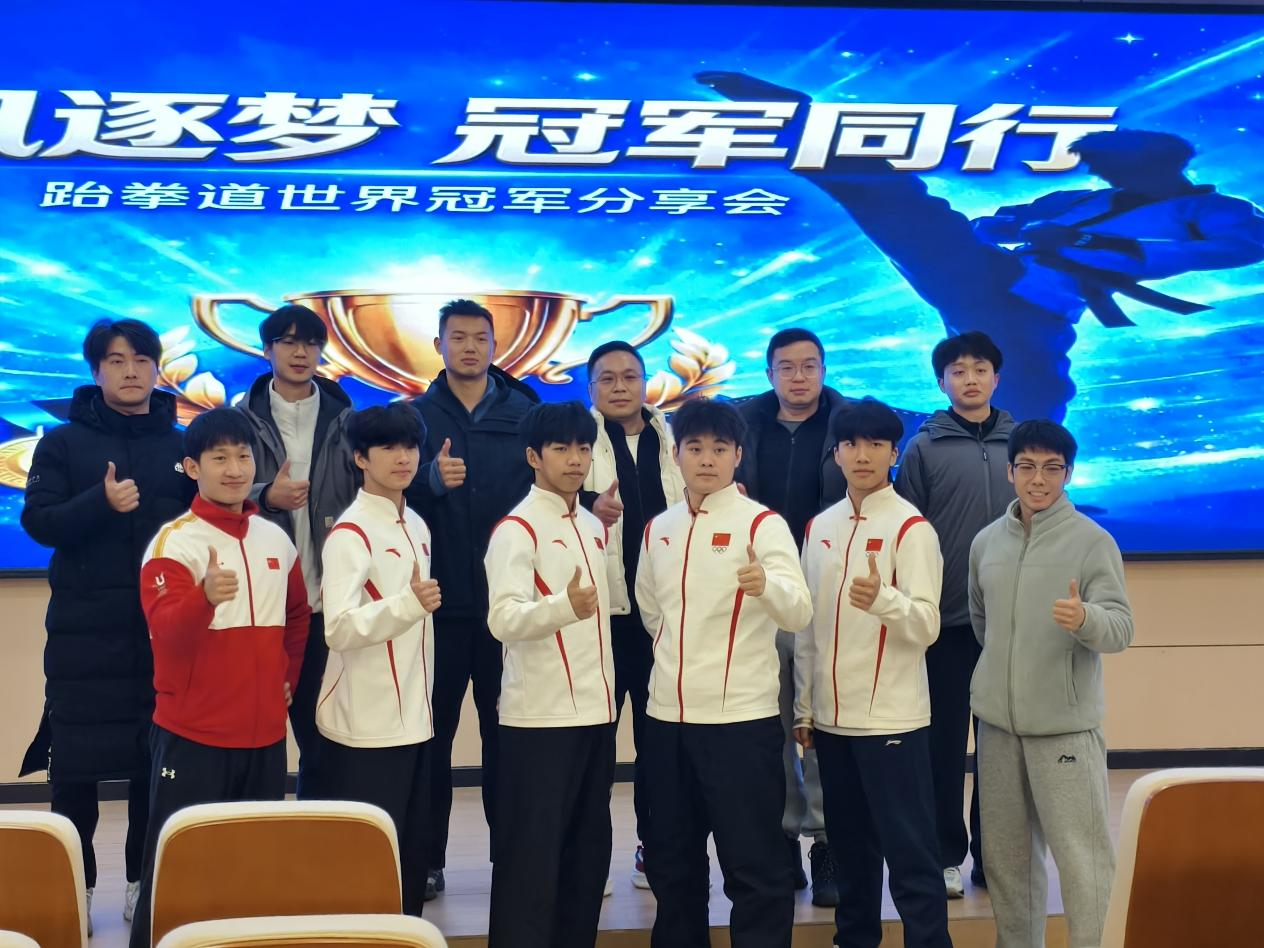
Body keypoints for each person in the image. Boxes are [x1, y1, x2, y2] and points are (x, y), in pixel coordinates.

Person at [696, 70, 1264, 423]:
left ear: (1157, 163)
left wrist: (1085, 240)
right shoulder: (1085, 199)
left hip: (1039, 305)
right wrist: (1007, 228)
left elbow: (1234, 246)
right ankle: (796, 118)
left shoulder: (1213, 212)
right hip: (991, 274)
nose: (1104, 174)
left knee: (1030, 398)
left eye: (1114, 165)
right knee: (897, 205)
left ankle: (1026, 484)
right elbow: (1009, 220)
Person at [19, 318, 195, 932]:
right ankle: (76, 885)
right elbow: (38, 522)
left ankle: (143, 882)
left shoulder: (181, 445)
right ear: (96, 371)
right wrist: (101, 502)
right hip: (83, 633)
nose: (130, 371)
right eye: (116, 361)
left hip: (162, 631)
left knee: (157, 763)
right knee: (74, 769)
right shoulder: (62, 444)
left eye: (141, 360)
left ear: (157, 369)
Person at [130, 408, 311, 948]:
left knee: (253, 870)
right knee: (179, 870)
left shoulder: (275, 539)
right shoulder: (174, 543)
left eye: (243, 456)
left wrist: (287, 677)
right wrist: (203, 598)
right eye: (219, 458)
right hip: (193, 737)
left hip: (264, 738)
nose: (234, 469)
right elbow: (166, 633)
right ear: (192, 467)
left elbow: (298, 617)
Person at [635, 398, 813, 948]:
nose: (706, 459)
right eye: (695, 448)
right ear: (676, 454)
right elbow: (651, 612)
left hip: (740, 723)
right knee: (671, 861)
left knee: (754, 864)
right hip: (667, 722)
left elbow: (799, 611)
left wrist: (768, 586)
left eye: (719, 448)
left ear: (738, 455)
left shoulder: (762, 524)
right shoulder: (658, 529)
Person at [969, 420, 1134, 948]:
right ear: (1009, 471)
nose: (1038, 479)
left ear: (1068, 473)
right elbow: (983, 624)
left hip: (1064, 730)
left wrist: (1085, 618)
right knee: (1007, 862)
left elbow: (1120, 629)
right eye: (1027, 467)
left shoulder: (1092, 541)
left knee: (1084, 861)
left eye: (1051, 468)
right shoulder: (985, 542)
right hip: (998, 729)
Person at [795, 398, 951, 948]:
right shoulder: (820, 527)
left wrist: (884, 600)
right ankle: (854, 940)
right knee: (849, 851)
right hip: (832, 721)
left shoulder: (911, 528)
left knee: (911, 855)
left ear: (894, 452)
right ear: (836, 453)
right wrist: (805, 708)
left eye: (876, 444)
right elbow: (808, 627)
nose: (863, 455)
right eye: (851, 444)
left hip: (892, 720)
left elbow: (927, 625)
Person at [405, 298, 540, 899]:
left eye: (480, 338)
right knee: (430, 739)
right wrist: (428, 481)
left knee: (507, 738)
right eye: (457, 337)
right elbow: (384, 489)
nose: (469, 347)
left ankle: (512, 856)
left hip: (507, 608)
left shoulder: (525, 412)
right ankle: (425, 859)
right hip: (436, 607)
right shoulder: (414, 416)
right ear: (438, 345)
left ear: (494, 346)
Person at [485, 401, 617, 948]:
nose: (575, 459)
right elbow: (502, 619)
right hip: (539, 718)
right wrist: (563, 607)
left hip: (595, 713)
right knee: (530, 859)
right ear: (533, 457)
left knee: (587, 854)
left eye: (583, 448)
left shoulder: (591, 524)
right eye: (561, 448)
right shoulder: (516, 529)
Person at [895, 331, 1015, 897]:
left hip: (1010, 626)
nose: (970, 379)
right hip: (946, 623)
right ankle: (944, 854)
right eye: (958, 371)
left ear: (996, 377)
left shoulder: (1022, 443)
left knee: (1001, 749)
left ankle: (996, 857)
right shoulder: (923, 447)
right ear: (941, 382)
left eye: (980, 369)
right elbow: (907, 533)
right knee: (941, 747)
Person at [308, 402, 438, 915]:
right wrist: (407, 605)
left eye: (410, 447)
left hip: (415, 720)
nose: (403, 458)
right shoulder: (351, 533)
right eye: (388, 447)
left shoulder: (417, 524)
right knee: (367, 864)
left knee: (411, 856)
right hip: (365, 727)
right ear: (360, 458)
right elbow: (337, 628)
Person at [735, 326, 844, 905]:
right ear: (769, 373)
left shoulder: (848, 425)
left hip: (830, 594)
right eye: (787, 367)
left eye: (809, 366)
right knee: (770, 724)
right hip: (763, 595)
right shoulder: (741, 426)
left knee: (822, 722)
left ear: (824, 369)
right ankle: (781, 840)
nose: (799, 377)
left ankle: (826, 843)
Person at [237, 303, 358, 796]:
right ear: (267, 350)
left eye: (310, 342)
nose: (300, 351)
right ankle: (262, 829)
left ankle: (317, 827)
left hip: (331, 604)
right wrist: (266, 495)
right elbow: (207, 493)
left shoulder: (348, 423)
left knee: (325, 735)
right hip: (264, 604)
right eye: (288, 342)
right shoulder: (239, 422)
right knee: (257, 729)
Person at [578, 340, 685, 889]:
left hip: (662, 617)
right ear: (591, 387)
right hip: (600, 616)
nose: (620, 386)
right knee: (593, 743)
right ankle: (589, 856)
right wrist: (587, 505)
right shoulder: (577, 439)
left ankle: (654, 847)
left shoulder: (675, 438)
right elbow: (546, 499)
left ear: (646, 382)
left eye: (629, 376)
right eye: (607, 378)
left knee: (658, 742)